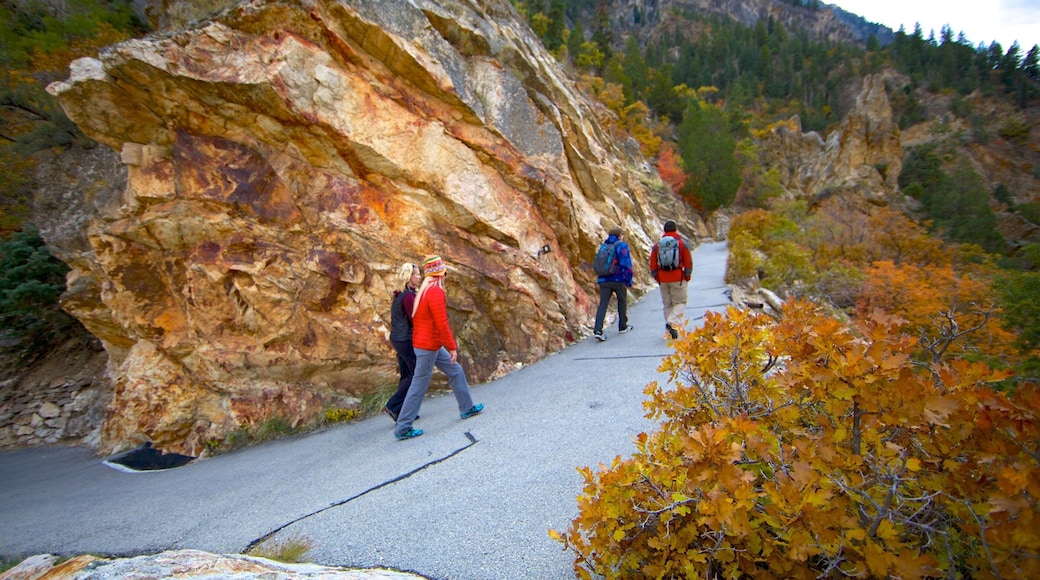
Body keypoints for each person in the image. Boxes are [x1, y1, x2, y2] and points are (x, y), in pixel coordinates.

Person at [394, 255, 484, 440]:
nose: (445, 275)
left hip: (428, 344)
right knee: (418, 385)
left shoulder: (424, 291)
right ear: (439, 273)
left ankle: (467, 408)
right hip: (428, 346)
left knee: (455, 371)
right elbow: (441, 323)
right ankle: (403, 427)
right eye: (443, 272)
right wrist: (452, 347)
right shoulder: (435, 292)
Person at [383, 262, 422, 422]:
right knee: (416, 374)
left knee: (406, 375)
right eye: (417, 274)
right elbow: (415, 319)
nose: (419, 277)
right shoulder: (408, 296)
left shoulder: (401, 294)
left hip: (398, 338)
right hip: (405, 339)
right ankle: (392, 406)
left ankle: (401, 411)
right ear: (409, 277)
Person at [649, 220, 693, 339]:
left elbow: (652, 263)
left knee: (667, 304)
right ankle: (672, 323)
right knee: (680, 303)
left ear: (664, 230)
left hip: (663, 278)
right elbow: (688, 262)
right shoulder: (681, 243)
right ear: (675, 229)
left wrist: (657, 277)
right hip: (678, 277)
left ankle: (669, 331)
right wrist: (687, 276)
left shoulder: (657, 245)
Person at [593, 226, 634, 341]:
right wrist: (628, 281)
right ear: (619, 235)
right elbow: (626, 264)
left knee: (603, 304)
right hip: (618, 279)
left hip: (604, 279)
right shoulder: (621, 246)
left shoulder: (604, 246)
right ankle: (622, 326)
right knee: (622, 301)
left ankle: (598, 330)